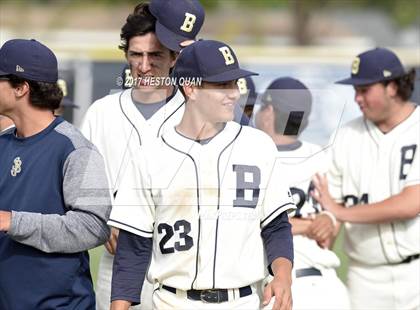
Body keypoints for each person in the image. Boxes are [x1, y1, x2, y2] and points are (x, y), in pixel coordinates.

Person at [108, 39, 295, 310]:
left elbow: (277, 225)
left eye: (234, 83)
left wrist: (283, 276)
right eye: (221, 85)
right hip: (172, 301)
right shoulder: (149, 155)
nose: (233, 93)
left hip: (242, 301)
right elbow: (134, 247)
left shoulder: (258, 146)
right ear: (191, 88)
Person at [81, 1, 205, 309]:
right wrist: (103, 220)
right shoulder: (102, 112)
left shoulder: (198, 115)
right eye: (136, 55)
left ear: (175, 57)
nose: (144, 65)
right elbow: (85, 192)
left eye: (155, 55)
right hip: (118, 265)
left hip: (182, 267)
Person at [0, 39, 111, 309]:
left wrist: (13, 221)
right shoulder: (3, 144)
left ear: (20, 88)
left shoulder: (74, 148)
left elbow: (94, 227)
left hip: (59, 304)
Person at [312, 47, 420, 310]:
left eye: (364, 90)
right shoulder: (345, 136)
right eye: (355, 90)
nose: (357, 98)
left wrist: (339, 211)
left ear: (392, 87)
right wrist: (327, 223)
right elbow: (330, 201)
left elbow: (410, 204)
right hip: (364, 278)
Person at [255, 77, 350, 310]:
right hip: (330, 291)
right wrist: (316, 223)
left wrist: (322, 221)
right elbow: (328, 233)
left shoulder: (254, 156)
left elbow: (253, 223)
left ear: (269, 112)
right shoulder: (320, 156)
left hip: (281, 291)